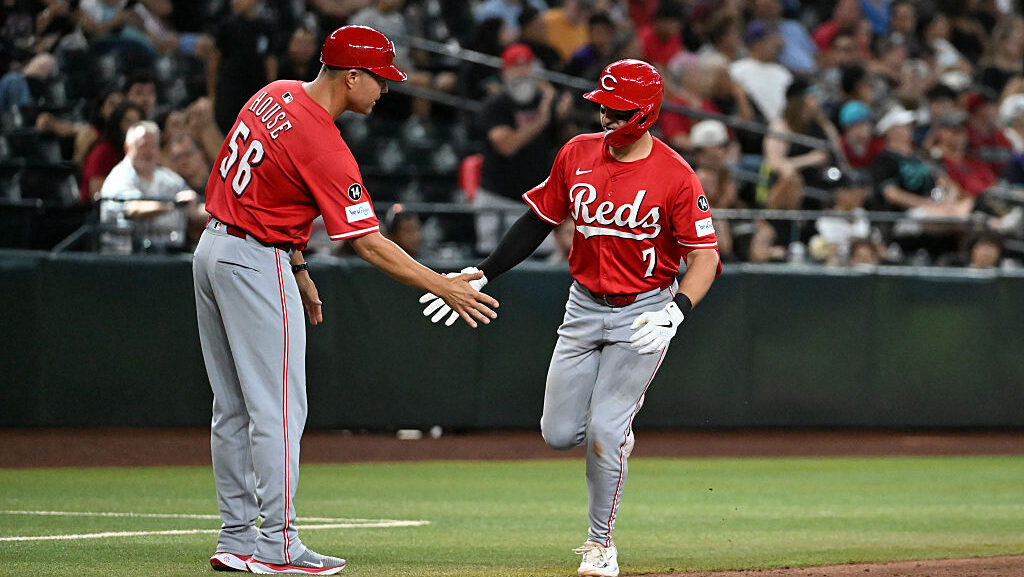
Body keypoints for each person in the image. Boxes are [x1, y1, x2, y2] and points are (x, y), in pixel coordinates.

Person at [193, 25, 498, 575]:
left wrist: (298, 264)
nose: (385, 88)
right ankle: (279, 545)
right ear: (351, 76)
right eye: (379, 78)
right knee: (279, 409)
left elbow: (265, 187)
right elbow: (369, 244)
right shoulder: (324, 142)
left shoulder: (275, 93)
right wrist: (443, 284)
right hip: (253, 260)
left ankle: (236, 537)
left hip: (213, 249)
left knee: (232, 406)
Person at [419, 59, 720, 577]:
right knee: (558, 434)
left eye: (617, 109)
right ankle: (615, 436)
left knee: (604, 430)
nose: (605, 116)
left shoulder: (675, 174)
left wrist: (677, 310)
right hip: (582, 305)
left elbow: (706, 256)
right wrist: (486, 272)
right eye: (603, 107)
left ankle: (601, 544)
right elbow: (539, 219)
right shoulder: (576, 152)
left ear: (645, 113)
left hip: (644, 310)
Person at [473, 43, 571, 254]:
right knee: (493, 258)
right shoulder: (495, 104)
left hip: (533, 201)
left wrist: (561, 112)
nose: (521, 74)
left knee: (545, 254)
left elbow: (563, 139)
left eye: (525, 67)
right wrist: (541, 120)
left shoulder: (544, 101)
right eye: (515, 68)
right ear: (505, 72)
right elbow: (507, 146)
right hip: (498, 198)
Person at [98, 121, 197, 254]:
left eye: (153, 146)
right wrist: (172, 204)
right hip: (126, 258)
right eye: (143, 145)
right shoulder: (120, 176)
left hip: (169, 254)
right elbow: (134, 208)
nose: (148, 152)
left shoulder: (168, 178)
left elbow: (192, 208)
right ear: (127, 147)